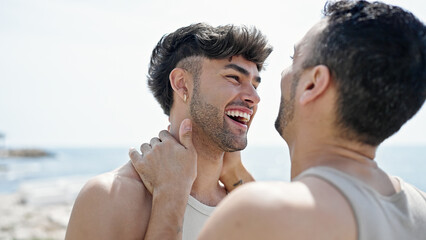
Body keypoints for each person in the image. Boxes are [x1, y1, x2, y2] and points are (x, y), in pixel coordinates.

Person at [129, 1, 426, 239]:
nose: (256, 96)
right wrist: (235, 175)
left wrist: (170, 196)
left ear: (313, 84)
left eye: (294, 59)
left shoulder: (259, 213)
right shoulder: (419, 208)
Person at [65, 23, 272, 239]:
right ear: (182, 84)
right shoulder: (110, 196)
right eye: (234, 78)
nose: (254, 98)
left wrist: (235, 174)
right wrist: (171, 195)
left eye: (255, 85)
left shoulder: (242, 203)